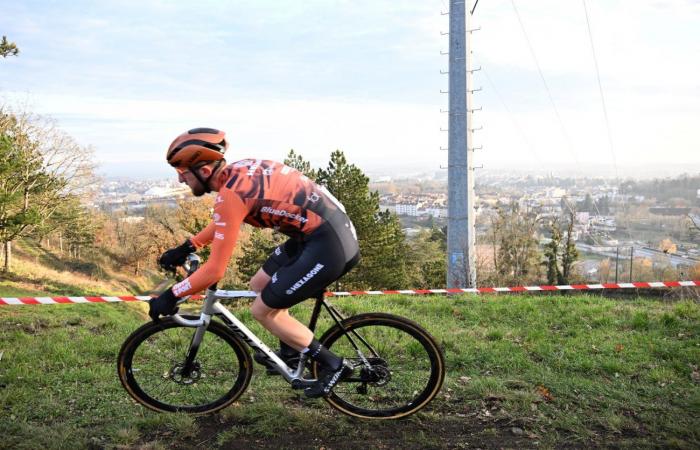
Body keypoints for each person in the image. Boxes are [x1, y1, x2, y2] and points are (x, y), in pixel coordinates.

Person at [149, 127, 360, 398]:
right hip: (314, 233)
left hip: (328, 242)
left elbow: (214, 270)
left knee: (263, 311)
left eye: (182, 172)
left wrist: (171, 295)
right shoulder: (235, 175)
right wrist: (190, 246)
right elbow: (225, 221)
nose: (180, 180)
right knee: (259, 283)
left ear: (203, 170)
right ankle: (293, 353)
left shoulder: (230, 195)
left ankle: (334, 364)